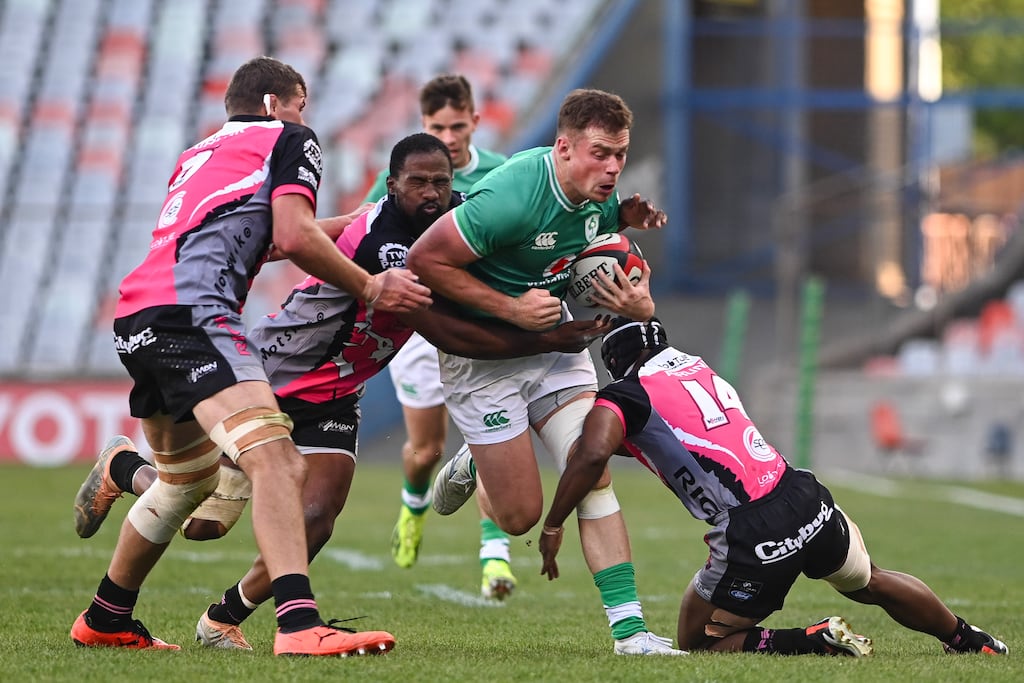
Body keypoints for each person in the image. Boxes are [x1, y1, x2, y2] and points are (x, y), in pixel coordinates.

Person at [73, 133, 607, 650]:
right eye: (417, 183)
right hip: (277, 374)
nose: (430, 194)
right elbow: (448, 333)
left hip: (337, 390)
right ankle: (126, 468)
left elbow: (500, 231)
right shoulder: (387, 245)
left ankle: (222, 619)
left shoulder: (452, 215)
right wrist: (544, 334)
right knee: (204, 522)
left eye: (440, 183)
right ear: (391, 185)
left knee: (317, 518)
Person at [69, 56, 431, 656]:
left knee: (186, 486)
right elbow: (293, 235)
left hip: (139, 312)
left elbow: (263, 240)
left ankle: (106, 616)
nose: (302, 117)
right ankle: (297, 625)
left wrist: (358, 226)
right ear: (274, 103)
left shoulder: (202, 153)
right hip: (194, 312)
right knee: (279, 464)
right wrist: (370, 285)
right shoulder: (291, 139)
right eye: (299, 104)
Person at [538, 316, 1009, 657]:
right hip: (802, 495)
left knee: (698, 642)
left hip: (753, 529)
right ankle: (968, 639)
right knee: (872, 581)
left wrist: (555, 522)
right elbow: (669, 434)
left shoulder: (626, 393)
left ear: (616, 362)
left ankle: (810, 639)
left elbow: (594, 452)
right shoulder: (695, 366)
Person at [407, 88, 683, 655]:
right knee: (518, 517)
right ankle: (474, 461)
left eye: (620, 155)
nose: (611, 168)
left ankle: (630, 632)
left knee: (591, 464)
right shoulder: (511, 195)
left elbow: (598, 244)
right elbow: (424, 261)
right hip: (480, 359)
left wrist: (634, 296)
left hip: (554, 344)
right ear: (562, 147)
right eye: (600, 153)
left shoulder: (596, 194)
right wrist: (510, 308)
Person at [363, 74, 515, 597]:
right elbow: (366, 228)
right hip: (421, 330)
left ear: (475, 120)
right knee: (426, 450)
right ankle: (413, 506)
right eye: (435, 126)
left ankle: (494, 558)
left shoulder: (503, 173)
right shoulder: (408, 174)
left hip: (476, 320)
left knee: (488, 438)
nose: (447, 136)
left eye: (456, 124)